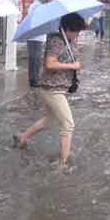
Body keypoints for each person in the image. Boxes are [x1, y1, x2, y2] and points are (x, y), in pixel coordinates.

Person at [13, 13, 85, 167]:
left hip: (58, 88)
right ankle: (64, 162)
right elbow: (50, 63)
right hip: (52, 89)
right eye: (76, 31)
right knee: (68, 124)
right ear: (67, 28)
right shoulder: (56, 40)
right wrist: (72, 66)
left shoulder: (68, 40)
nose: (77, 34)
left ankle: (23, 137)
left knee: (48, 120)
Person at [26, 0, 49, 87]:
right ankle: (35, 80)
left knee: (32, 58)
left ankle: (32, 78)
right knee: (36, 59)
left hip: (32, 35)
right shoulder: (39, 7)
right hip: (37, 36)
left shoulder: (33, 5)